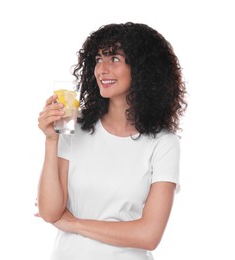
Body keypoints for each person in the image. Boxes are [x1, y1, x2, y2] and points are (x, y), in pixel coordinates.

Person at [36, 22, 187, 260]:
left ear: (142, 69)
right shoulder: (75, 126)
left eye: (114, 59)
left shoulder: (163, 143)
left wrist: (74, 223)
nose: (101, 69)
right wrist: (51, 140)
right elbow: (50, 212)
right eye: (98, 59)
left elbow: (149, 235)